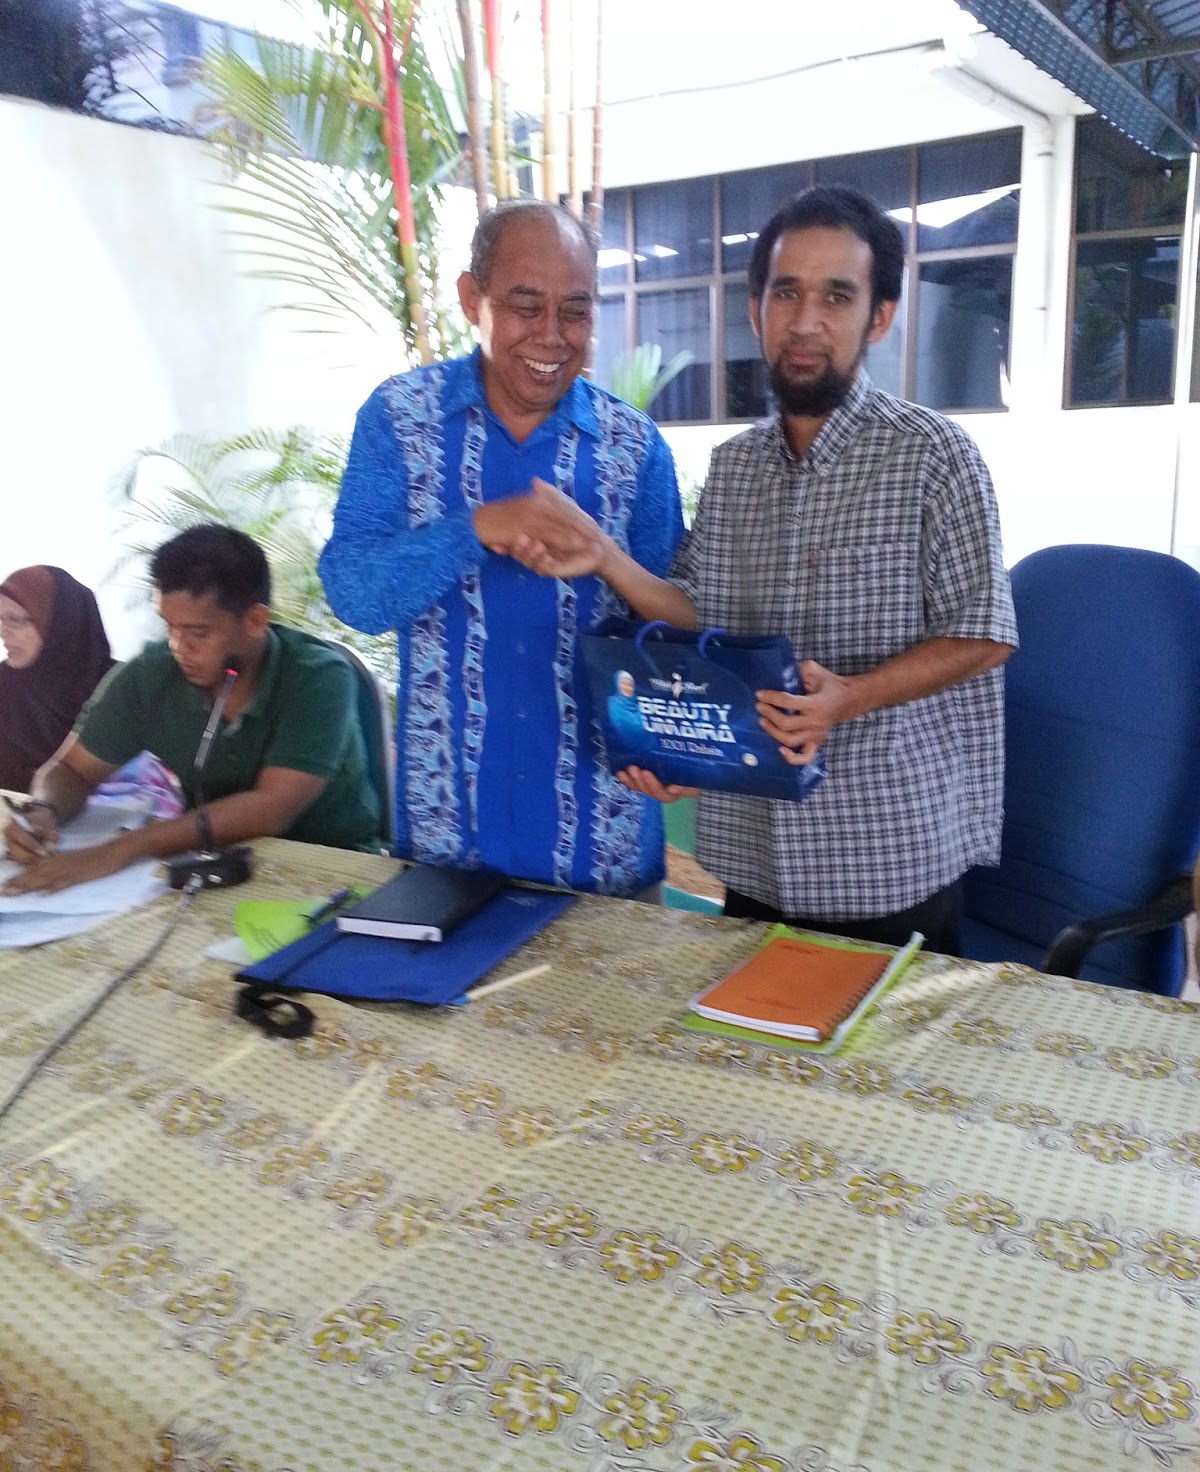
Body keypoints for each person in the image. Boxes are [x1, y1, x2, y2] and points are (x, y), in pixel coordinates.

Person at [617, 186, 1019, 954]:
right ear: (756, 309)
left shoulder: (934, 456)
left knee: (882, 1041)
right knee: (743, 1032)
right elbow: (698, 613)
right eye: (786, 292)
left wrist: (850, 698)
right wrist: (679, 748)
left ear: (879, 316)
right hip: (755, 854)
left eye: (837, 296)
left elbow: (984, 634)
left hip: (887, 861)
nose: (806, 321)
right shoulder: (734, 468)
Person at [318, 197, 690, 897]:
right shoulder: (399, 421)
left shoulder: (635, 448)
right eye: (525, 306)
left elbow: (677, 633)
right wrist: (478, 527)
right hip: (448, 851)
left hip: (604, 852)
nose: (552, 335)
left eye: (575, 311)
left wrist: (675, 748)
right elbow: (355, 594)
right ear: (472, 299)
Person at [2, 524, 382, 893]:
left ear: (255, 621)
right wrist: (43, 810)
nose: (179, 647)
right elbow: (72, 770)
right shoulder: (152, 674)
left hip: (333, 869)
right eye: (169, 627)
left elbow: (271, 808)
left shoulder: (319, 677)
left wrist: (119, 850)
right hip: (214, 862)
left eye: (199, 633)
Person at [0, 566, 113, 792]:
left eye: (14, 620)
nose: (3, 632)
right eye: (0, 619)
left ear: (60, 622)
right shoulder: (5, 683)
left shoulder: (117, 686)